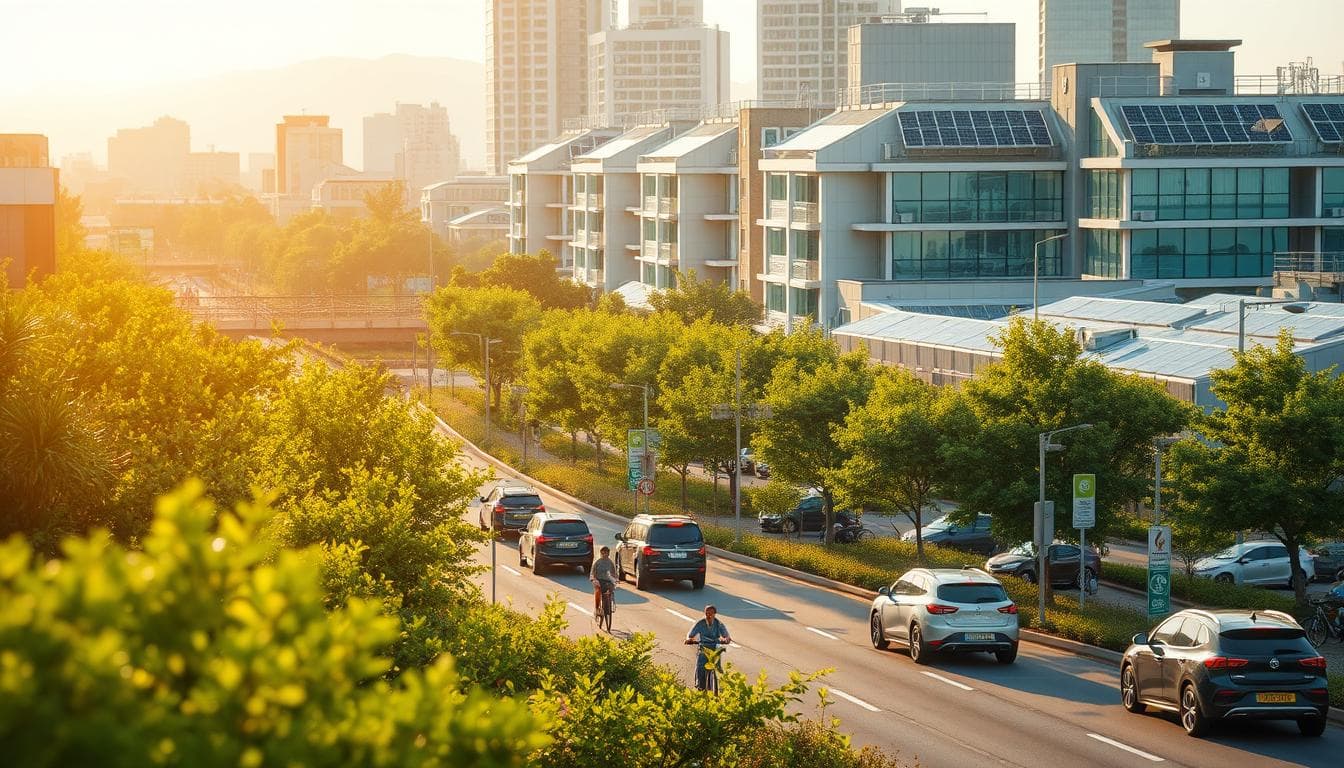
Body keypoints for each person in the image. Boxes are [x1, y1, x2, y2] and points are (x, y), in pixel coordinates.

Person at [685, 604, 731, 690]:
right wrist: (689, 639)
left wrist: (726, 639)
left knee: (717, 666)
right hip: (704, 646)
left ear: (715, 614)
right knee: (701, 665)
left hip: (714, 646)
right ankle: (700, 686)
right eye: (707, 613)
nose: (709, 615)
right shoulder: (700, 623)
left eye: (711, 613)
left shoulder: (718, 623)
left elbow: (726, 634)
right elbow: (691, 634)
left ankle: (718, 683)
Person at [591, 546, 617, 616]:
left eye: (606, 553)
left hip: (608, 581)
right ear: (601, 553)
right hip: (599, 581)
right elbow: (592, 573)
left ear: (608, 554)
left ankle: (609, 605)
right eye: (603, 553)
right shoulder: (597, 562)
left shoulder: (611, 563)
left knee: (610, 590)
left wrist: (615, 580)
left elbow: (614, 574)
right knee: (598, 591)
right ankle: (597, 609)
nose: (605, 554)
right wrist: (594, 579)